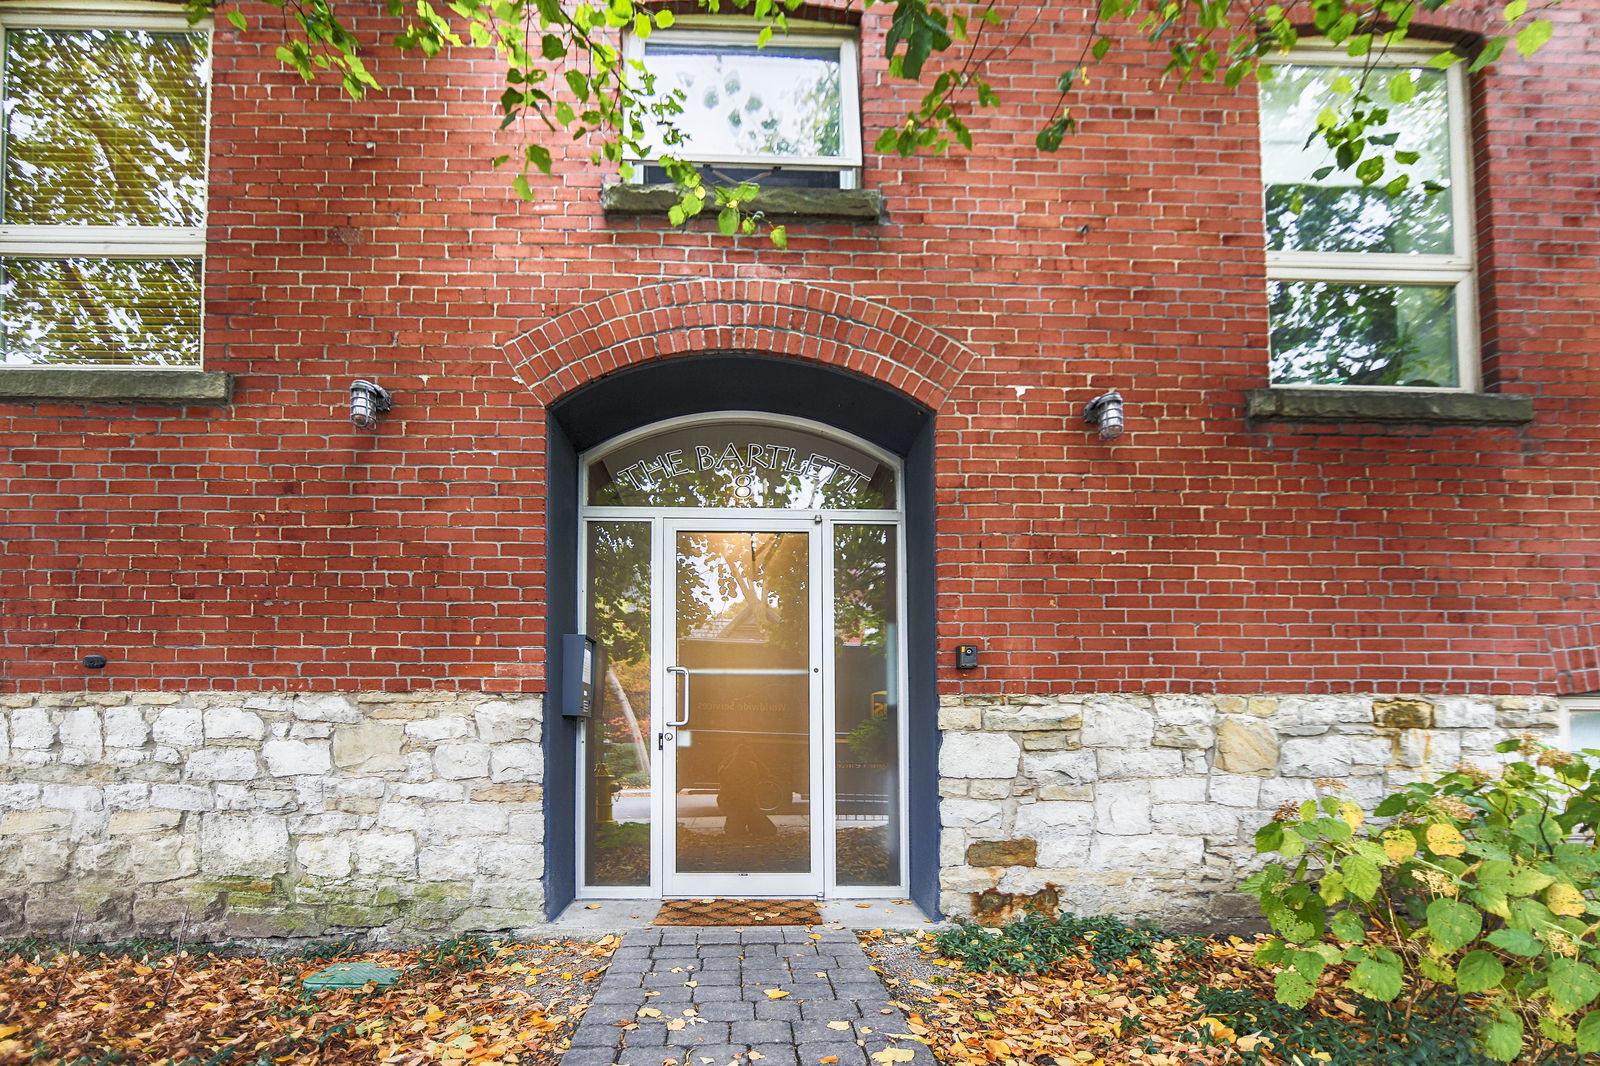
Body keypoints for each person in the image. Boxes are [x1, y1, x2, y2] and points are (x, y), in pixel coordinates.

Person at [716, 742, 778, 840]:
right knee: (736, 832)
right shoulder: (749, 767)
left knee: (738, 831)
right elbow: (766, 773)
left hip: (745, 805)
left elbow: (766, 773)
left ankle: (744, 824)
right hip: (739, 805)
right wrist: (755, 757)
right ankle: (744, 825)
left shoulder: (728, 767)